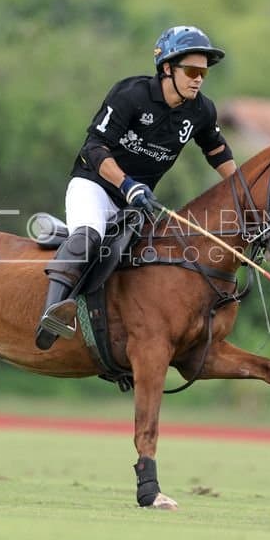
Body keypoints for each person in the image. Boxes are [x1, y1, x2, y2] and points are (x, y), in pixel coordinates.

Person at [35, 25, 238, 349]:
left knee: (154, 261)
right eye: (192, 70)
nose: (199, 78)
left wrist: (242, 193)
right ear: (168, 68)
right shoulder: (131, 94)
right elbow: (94, 148)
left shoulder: (201, 110)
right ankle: (52, 314)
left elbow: (217, 151)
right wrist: (127, 184)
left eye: (204, 72)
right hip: (95, 187)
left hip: (136, 205)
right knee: (90, 234)